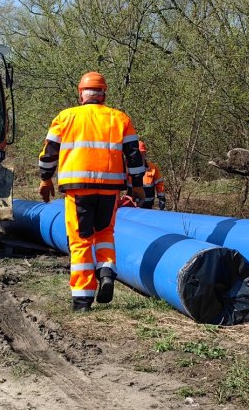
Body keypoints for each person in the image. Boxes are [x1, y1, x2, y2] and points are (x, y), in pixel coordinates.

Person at [38, 71, 147, 312]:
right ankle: (106, 271)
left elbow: (48, 154)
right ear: (103, 95)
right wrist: (137, 185)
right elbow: (134, 156)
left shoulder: (65, 118)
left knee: (81, 241)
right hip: (110, 190)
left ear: (80, 95)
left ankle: (82, 300)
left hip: (78, 190)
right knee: (105, 233)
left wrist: (46, 180)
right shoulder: (119, 118)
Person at [135, 140, 168, 210]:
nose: (140, 156)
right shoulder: (128, 168)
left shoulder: (153, 168)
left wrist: (161, 199)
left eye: (142, 153)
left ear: (145, 153)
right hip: (132, 205)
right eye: (138, 154)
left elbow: (159, 184)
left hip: (148, 206)